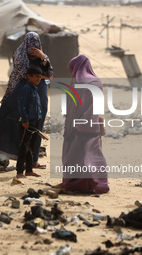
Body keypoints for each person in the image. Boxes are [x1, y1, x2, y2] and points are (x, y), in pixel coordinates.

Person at [0, 32, 53, 168]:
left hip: (40, 96)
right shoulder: (20, 56)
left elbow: (50, 75)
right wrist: (41, 75)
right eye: (31, 47)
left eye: (35, 47)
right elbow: (27, 74)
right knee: (13, 122)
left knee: (36, 126)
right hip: (22, 93)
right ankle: (14, 156)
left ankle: (33, 160)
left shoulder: (42, 57)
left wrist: (43, 56)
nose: (33, 50)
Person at [53, 54, 109, 194]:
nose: (72, 73)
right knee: (92, 154)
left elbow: (77, 107)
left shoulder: (79, 83)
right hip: (92, 124)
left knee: (76, 156)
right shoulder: (96, 81)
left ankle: (78, 184)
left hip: (79, 126)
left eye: (72, 70)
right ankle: (98, 183)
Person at [16, 65, 43, 178]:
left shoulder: (35, 89)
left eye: (40, 77)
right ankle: (19, 172)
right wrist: (25, 119)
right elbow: (22, 106)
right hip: (27, 123)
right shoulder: (26, 89)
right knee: (23, 146)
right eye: (36, 76)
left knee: (30, 147)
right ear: (29, 76)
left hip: (35, 122)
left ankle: (29, 170)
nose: (38, 79)